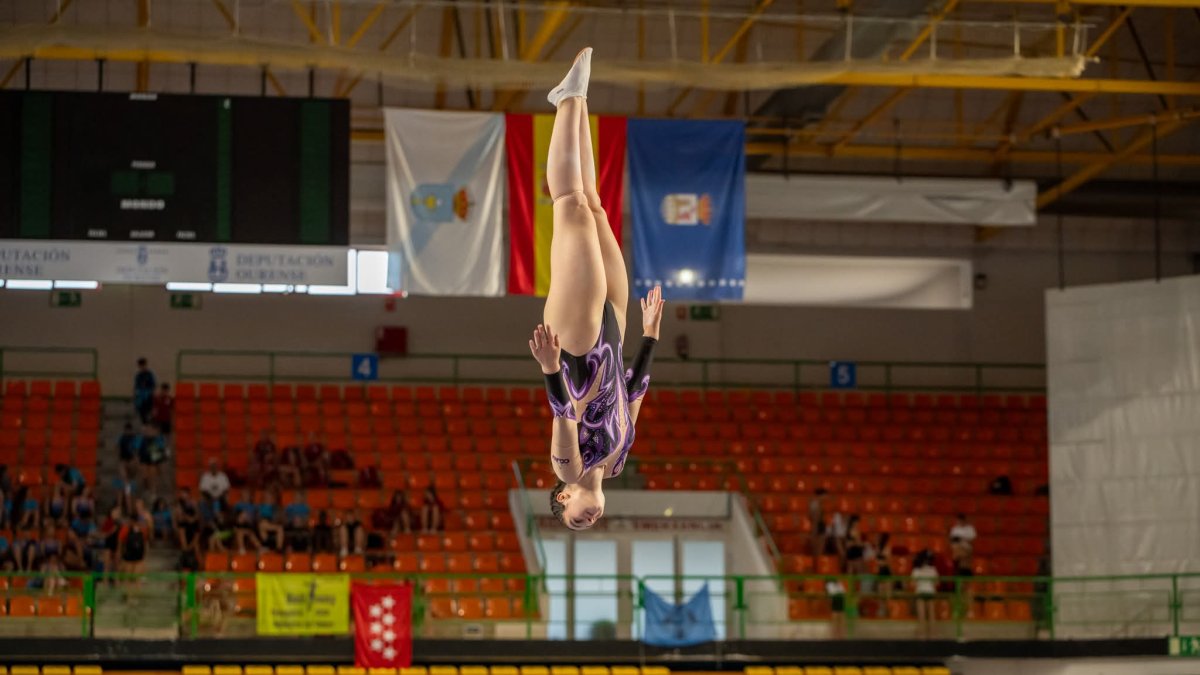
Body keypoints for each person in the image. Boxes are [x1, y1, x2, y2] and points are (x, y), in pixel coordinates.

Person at [532, 49, 664, 532]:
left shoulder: (566, 468)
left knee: (570, 207)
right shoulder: (616, 464)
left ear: (563, 498)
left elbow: (564, 412)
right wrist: (649, 338)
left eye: (573, 519)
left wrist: (550, 368)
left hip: (578, 349)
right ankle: (575, 99)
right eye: (586, 523)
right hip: (617, 331)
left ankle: (570, 99)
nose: (584, 518)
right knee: (596, 207)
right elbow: (634, 396)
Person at [912, 550, 939, 639]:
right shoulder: (933, 570)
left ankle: (921, 635)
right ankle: (933, 635)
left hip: (920, 592)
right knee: (932, 616)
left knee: (921, 616)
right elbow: (937, 583)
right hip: (930, 592)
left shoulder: (916, 570)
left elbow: (913, 583)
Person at [133, 358, 157, 424]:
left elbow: (153, 386)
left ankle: (150, 425)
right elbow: (135, 388)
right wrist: (135, 398)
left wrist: (152, 396)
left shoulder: (150, 375)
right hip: (141, 397)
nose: (142, 367)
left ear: (146, 365)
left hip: (148, 396)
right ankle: (144, 426)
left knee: (149, 415)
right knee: (142, 415)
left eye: (143, 365)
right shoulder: (138, 376)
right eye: (140, 366)